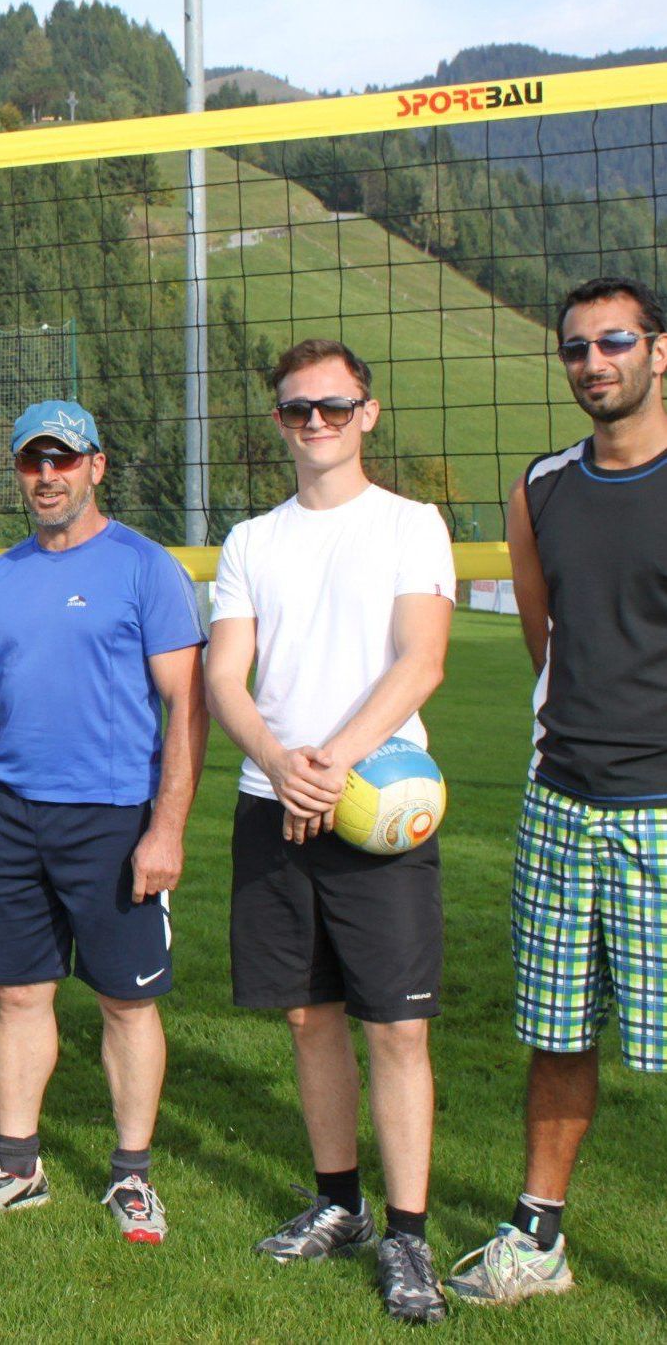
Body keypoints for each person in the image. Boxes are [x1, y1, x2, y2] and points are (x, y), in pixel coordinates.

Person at [205, 339, 455, 1324]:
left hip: (378, 807)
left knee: (394, 1028)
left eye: (333, 407)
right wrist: (278, 765)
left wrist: (332, 764)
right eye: (297, 410)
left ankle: (406, 1236)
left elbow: (420, 660)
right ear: (278, 422)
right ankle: (337, 1204)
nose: (315, 423)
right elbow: (225, 675)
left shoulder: (409, 524)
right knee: (307, 1019)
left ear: (367, 411)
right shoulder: (248, 541)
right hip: (275, 805)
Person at [0, 402, 206, 1238]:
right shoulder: (3, 576)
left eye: (62, 460)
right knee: (18, 993)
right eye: (31, 462)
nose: (46, 476)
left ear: (96, 466)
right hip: (16, 814)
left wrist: (167, 828)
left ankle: (131, 1177)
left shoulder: (144, 567)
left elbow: (185, 707)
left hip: (115, 818)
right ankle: (18, 1167)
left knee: (125, 1002)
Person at [447, 277, 667, 1305]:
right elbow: (542, 643)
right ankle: (537, 1242)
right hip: (560, 804)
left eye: (612, 343)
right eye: (574, 348)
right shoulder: (540, 487)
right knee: (555, 1035)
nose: (592, 364)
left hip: (661, 811)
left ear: (656, 352)